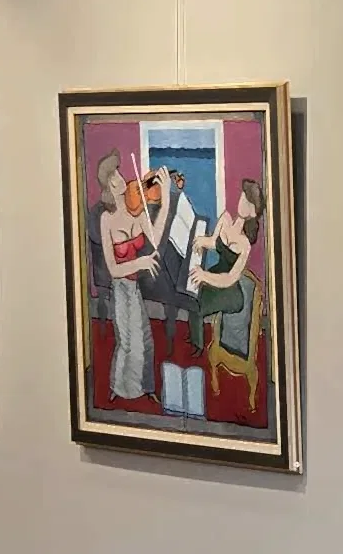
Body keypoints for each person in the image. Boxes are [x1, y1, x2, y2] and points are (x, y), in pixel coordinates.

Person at [93, 154, 171, 402]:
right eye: (112, 176)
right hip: (120, 287)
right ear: (106, 185)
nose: (119, 178)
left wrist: (166, 199)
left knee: (145, 339)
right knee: (127, 342)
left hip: (134, 286)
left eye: (118, 171)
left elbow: (155, 239)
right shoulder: (106, 219)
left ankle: (147, 388)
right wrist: (140, 262)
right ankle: (119, 388)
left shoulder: (136, 210)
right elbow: (113, 269)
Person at [190, 178, 264, 360]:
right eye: (243, 196)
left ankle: (198, 348)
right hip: (216, 273)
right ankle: (194, 340)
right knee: (191, 292)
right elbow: (214, 242)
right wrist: (202, 241)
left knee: (197, 303)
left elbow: (230, 278)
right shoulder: (225, 218)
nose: (242, 201)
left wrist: (204, 275)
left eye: (247, 202)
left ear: (253, 212)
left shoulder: (245, 244)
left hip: (230, 290)